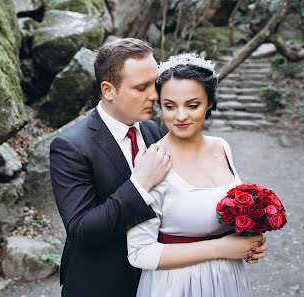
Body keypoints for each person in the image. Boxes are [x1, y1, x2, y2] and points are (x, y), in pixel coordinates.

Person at [127, 53, 268, 297]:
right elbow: (140, 252)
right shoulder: (153, 160)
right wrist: (222, 248)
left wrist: (248, 240)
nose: (180, 116)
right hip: (177, 285)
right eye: (170, 106)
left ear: (209, 103)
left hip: (228, 280)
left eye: (192, 105)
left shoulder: (222, 147)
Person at [49, 38, 172, 297]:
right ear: (108, 90)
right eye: (141, 88)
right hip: (98, 283)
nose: (155, 95)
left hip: (152, 278)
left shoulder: (150, 129)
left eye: (155, 84)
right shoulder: (70, 146)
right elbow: (82, 229)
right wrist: (140, 185)